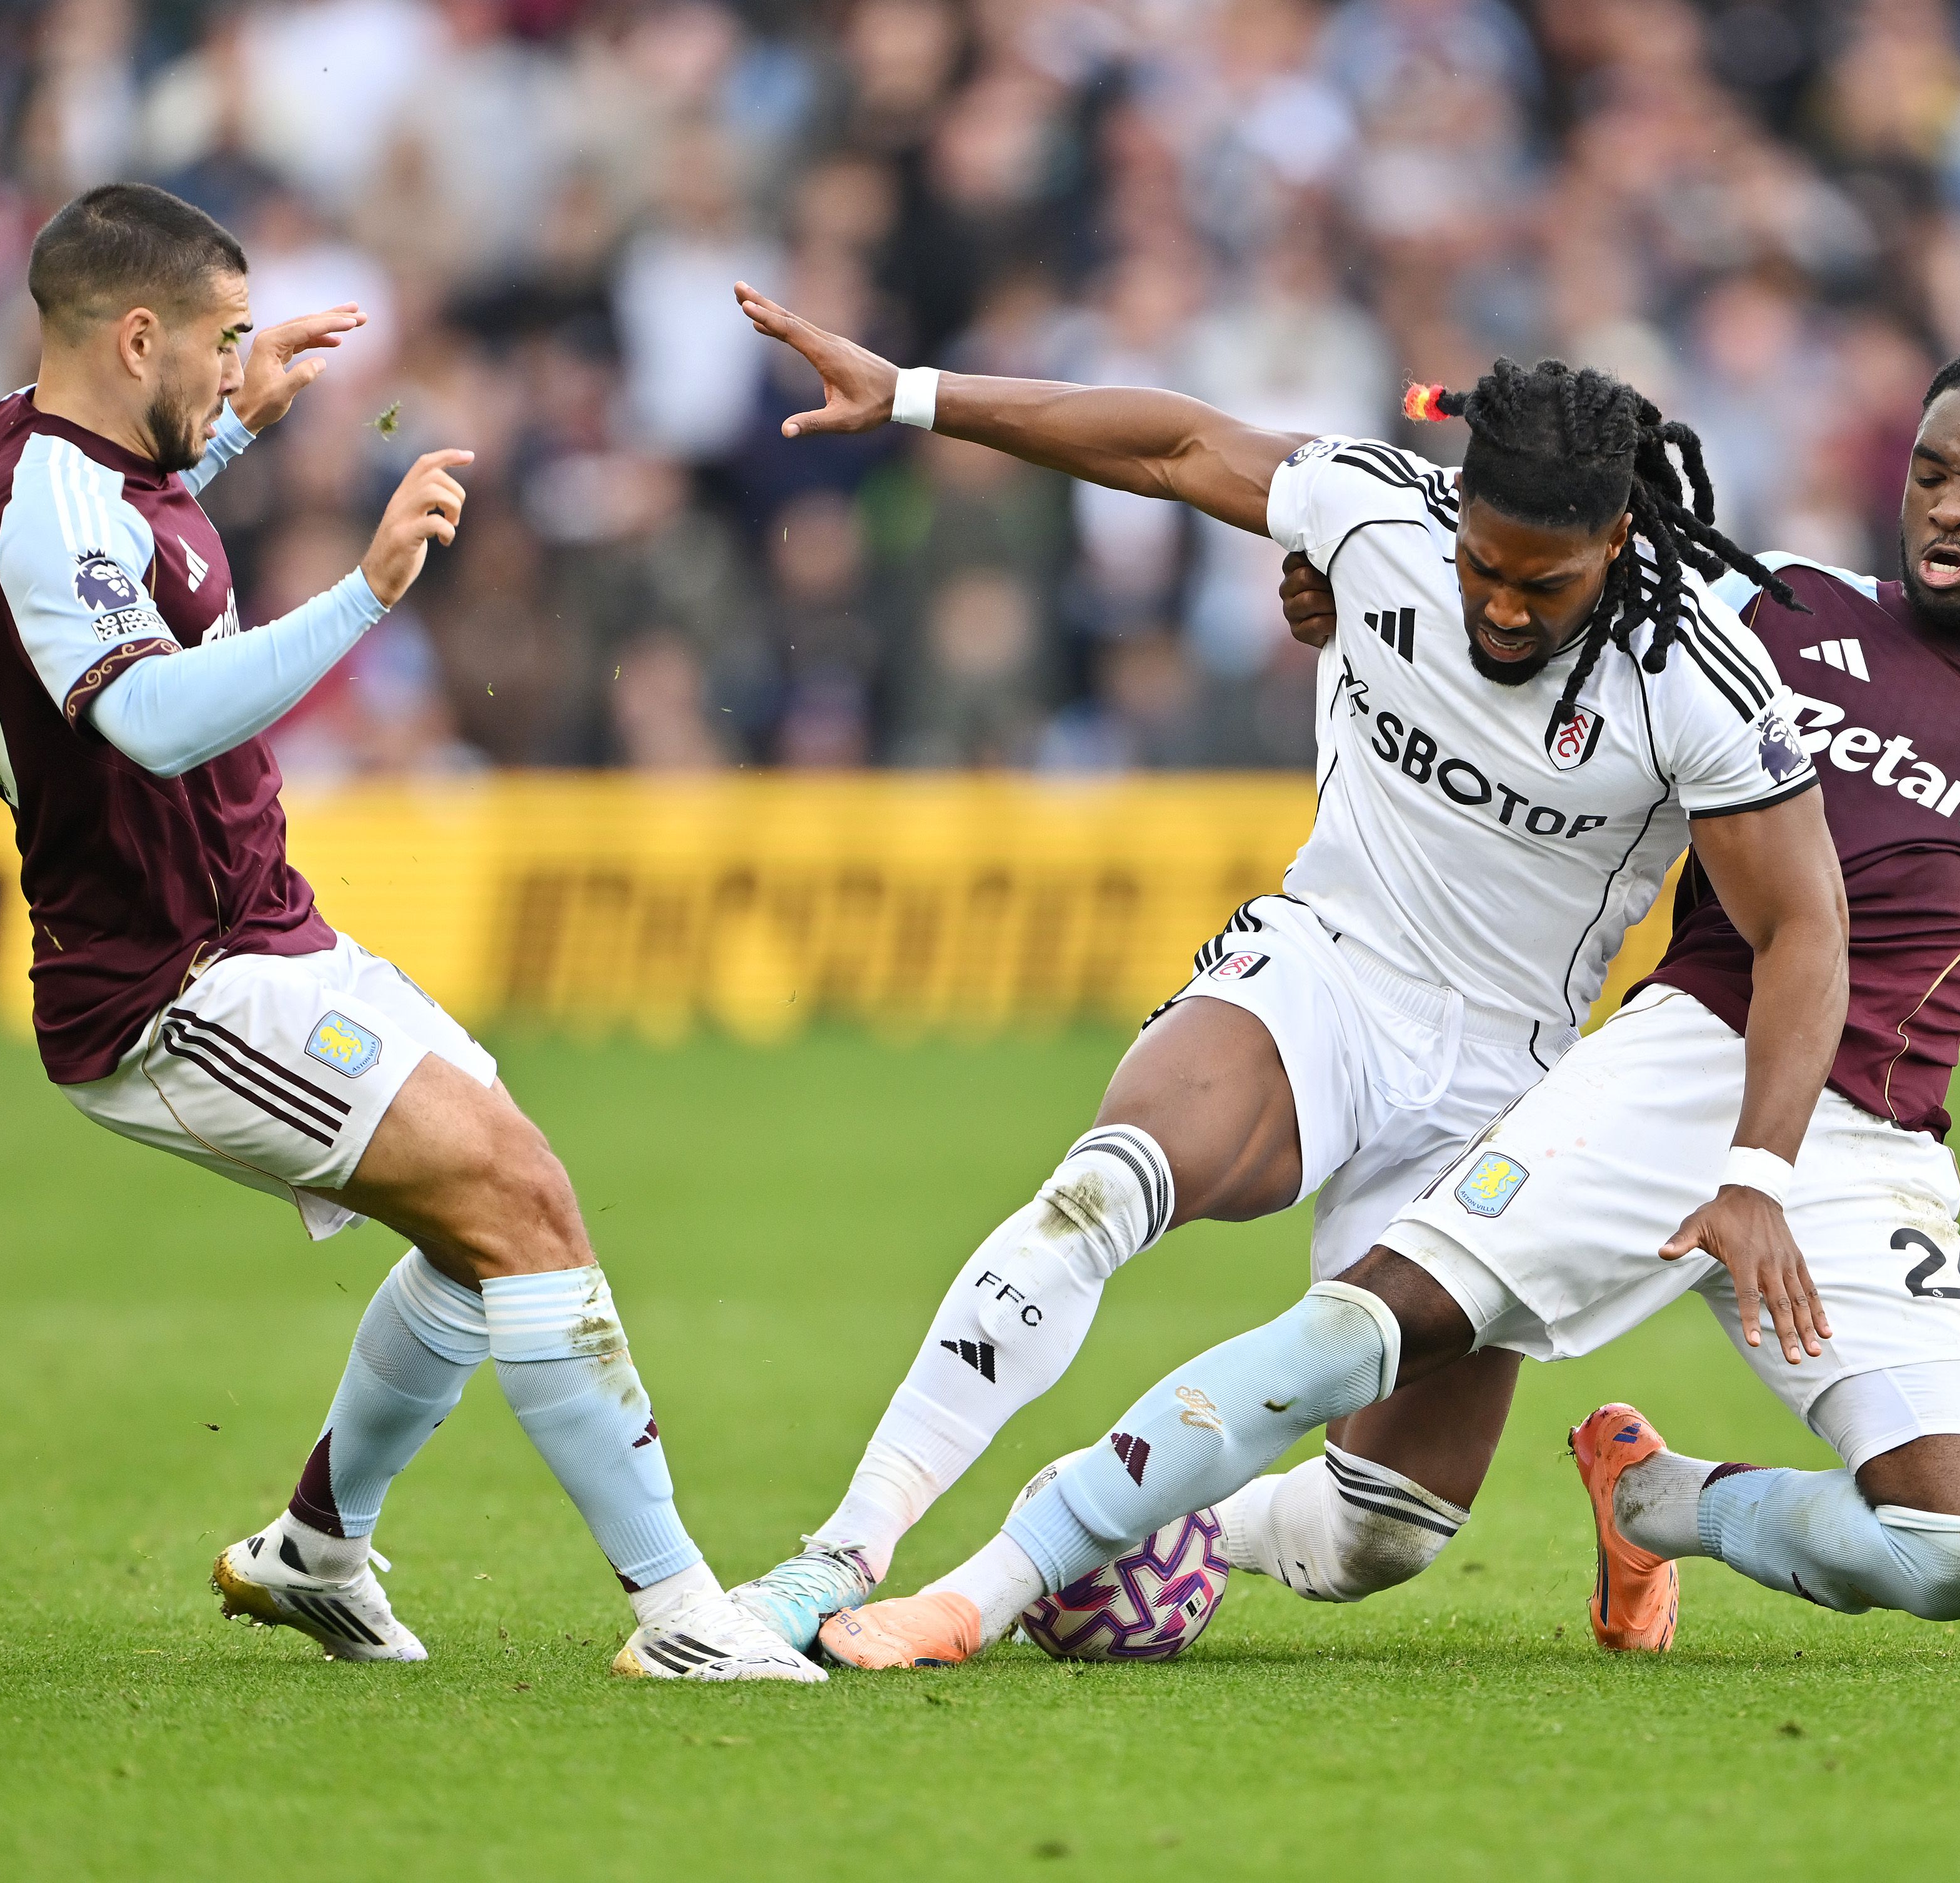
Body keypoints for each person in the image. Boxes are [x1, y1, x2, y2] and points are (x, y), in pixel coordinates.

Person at [817, 342, 1960, 1669]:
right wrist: (1339, 597)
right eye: (1930, 468)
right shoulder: (1758, 602)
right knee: (1357, 1341)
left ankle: (1654, 1504)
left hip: (1865, 1157)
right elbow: (1521, 572)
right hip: (1682, 1075)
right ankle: (983, 1585)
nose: (1948, 505)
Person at [724, 286, 1849, 1653]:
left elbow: (1803, 928)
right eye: (1479, 566)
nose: (1497, 606)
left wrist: (1756, 1174)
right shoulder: (1375, 520)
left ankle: (1172, 1517)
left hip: (1507, 1080)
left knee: (1386, 1532)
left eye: (1540, 584)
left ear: (1616, 538)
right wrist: (912, 393)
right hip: (1325, 968)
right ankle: (837, 1557)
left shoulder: (1693, 679)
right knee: (1098, 1190)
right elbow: (1173, 447)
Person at [0, 183, 811, 1682]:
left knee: (492, 1235)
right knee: (520, 1202)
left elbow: (131, 545)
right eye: (222, 342)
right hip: (173, 990)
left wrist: (237, 431)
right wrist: (367, 594)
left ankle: (318, 1552)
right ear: (136, 334)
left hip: (259, 926)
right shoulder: (51, 508)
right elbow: (148, 719)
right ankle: (682, 1613)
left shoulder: (56, 447)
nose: (239, 362)